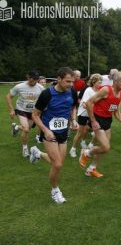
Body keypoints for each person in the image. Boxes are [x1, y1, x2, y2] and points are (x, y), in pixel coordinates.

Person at [30, 67, 78, 204]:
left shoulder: (72, 92)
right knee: (57, 164)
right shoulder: (47, 94)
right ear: (59, 79)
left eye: (72, 82)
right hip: (49, 133)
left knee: (58, 163)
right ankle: (55, 191)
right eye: (68, 81)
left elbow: (73, 107)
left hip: (63, 132)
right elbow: (35, 115)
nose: (70, 84)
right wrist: (45, 130)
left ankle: (37, 153)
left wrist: (73, 120)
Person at [79, 71, 121, 177]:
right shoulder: (106, 90)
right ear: (114, 82)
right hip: (97, 119)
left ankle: (91, 169)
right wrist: (93, 121)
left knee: (103, 148)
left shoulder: (120, 93)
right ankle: (86, 152)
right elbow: (88, 103)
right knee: (105, 147)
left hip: (107, 120)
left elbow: (115, 110)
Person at [6, 71, 44, 157]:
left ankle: (16, 127)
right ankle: (25, 148)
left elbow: (44, 99)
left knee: (26, 129)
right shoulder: (20, 86)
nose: (34, 81)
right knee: (26, 129)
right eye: (32, 79)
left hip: (33, 112)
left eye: (36, 79)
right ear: (28, 77)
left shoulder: (41, 88)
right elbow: (8, 96)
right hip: (21, 109)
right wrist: (12, 110)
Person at [69, 74, 102, 158]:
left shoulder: (99, 91)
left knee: (98, 130)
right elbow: (84, 105)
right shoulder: (88, 90)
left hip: (92, 114)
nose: (100, 84)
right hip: (83, 113)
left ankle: (90, 146)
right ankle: (73, 149)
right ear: (94, 82)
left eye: (101, 82)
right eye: (99, 82)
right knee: (80, 133)